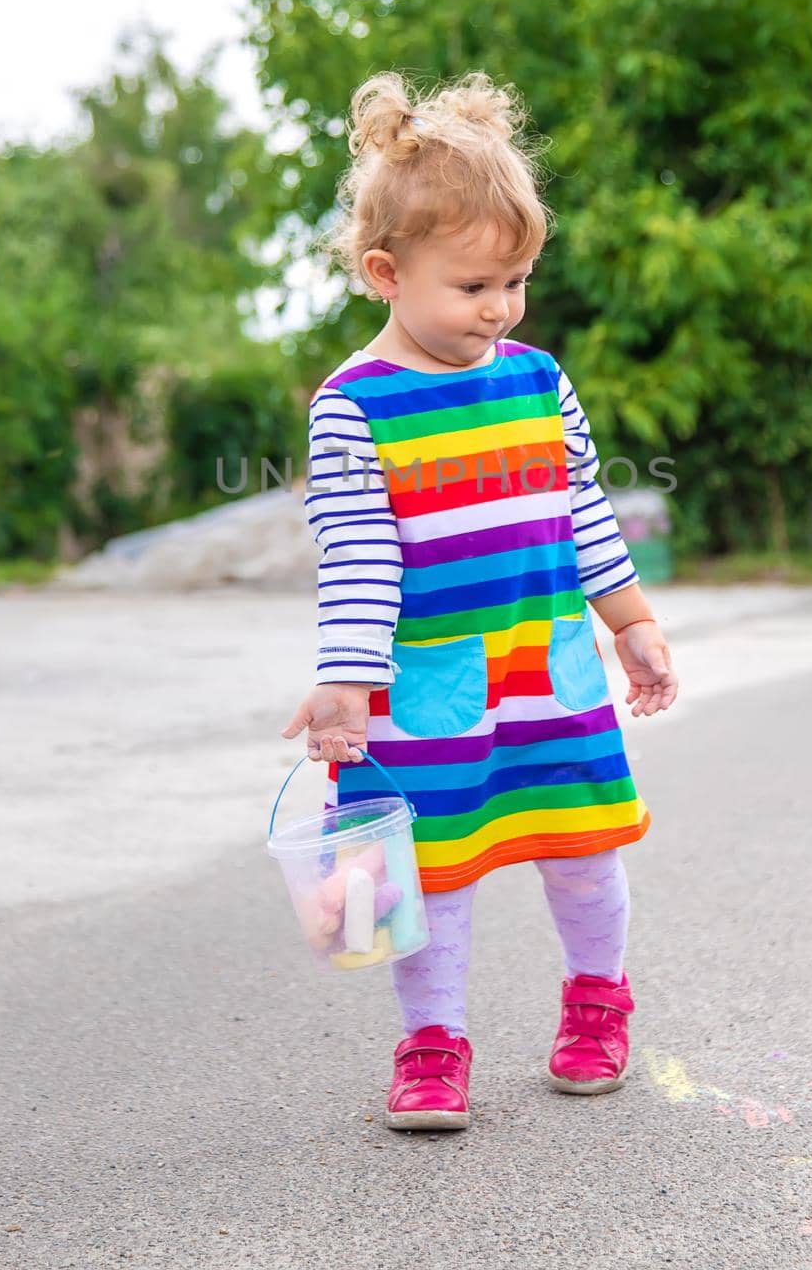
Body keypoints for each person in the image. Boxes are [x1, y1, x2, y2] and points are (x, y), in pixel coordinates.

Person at [281, 69, 679, 1132]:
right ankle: (432, 1041)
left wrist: (629, 620)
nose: (499, 308)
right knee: (434, 874)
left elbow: (582, 510)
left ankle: (598, 1000)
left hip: (548, 677)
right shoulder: (352, 408)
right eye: (472, 286)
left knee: (582, 850)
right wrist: (347, 685)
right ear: (384, 271)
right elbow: (358, 557)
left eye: (515, 282)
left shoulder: (536, 379)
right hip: (427, 690)